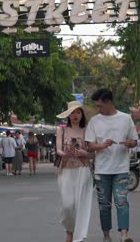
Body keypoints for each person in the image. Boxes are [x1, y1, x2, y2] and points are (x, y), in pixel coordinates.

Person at [85, 89, 138, 242]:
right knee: (104, 204)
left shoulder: (126, 118)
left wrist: (130, 143)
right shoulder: (95, 121)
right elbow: (90, 145)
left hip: (121, 168)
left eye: (100, 105)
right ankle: (106, 235)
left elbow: (134, 140)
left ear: (109, 102)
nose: (98, 109)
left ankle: (124, 235)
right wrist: (101, 145)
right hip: (102, 170)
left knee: (122, 202)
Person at [56, 101, 94, 242]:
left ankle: (78, 237)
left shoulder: (87, 130)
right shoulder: (61, 130)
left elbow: (92, 154)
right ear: (68, 115)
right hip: (65, 170)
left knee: (80, 206)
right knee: (67, 204)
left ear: (82, 114)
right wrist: (64, 153)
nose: (75, 115)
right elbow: (58, 149)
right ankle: (70, 229)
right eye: (72, 112)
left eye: (78, 112)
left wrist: (84, 152)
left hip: (83, 171)